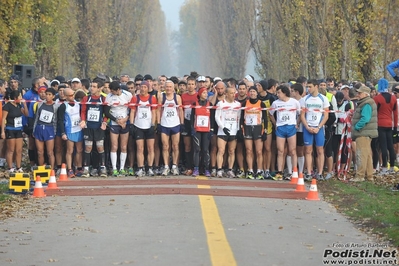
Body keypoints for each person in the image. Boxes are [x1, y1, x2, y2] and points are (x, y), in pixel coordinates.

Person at [300, 79, 330, 181]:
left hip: (319, 128)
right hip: (308, 127)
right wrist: (307, 126)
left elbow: (326, 116)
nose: (308, 89)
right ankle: (309, 172)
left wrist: (318, 127)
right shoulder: (305, 99)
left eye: (310, 87)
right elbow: (302, 115)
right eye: (307, 87)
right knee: (308, 150)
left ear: (316, 87)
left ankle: (320, 173)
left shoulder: (323, 99)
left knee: (320, 150)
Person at [269, 85, 301, 180]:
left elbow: (300, 114)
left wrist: (297, 123)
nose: (277, 94)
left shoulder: (294, 102)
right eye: (277, 93)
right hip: (280, 128)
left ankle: (294, 172)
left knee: (292, 150)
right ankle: (279, 172)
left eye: (279, 93)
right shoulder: (275, 103)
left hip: (291, 127)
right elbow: (270, 114)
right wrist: (275, 124)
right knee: (280, 151)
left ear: (284, 93)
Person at [80, 79, 108, 177]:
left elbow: (107, 113)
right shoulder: (86, 99)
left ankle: (103, 168)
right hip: (89, 127)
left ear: (100, 88)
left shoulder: (103, 99)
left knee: (100, 147)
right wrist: (83, 120)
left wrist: (104, 122)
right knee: (88, 147)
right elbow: (83, 111)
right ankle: (86, 168)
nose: (92, 88)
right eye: (91, 86)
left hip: (98, 128)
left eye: (94, 86)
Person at [129, 80, 157, 177]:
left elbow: (154, 112)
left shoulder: (152, 99)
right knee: (140, 148)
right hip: (138, 126)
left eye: (145, 87)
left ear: (148, 88)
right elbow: (132, 112)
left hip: (149, 126)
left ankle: (149, 168)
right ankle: (140, 168)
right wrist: (131, 124)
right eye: (141, 87)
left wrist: (153, 124)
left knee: (150, 148)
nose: (143, 89)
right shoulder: (135, 98)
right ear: (139, 87)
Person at [104, 81, 132, 177]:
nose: (111, 92)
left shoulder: (128, 95)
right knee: (114, 146)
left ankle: (122, 168)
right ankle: (115, 168)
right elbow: (106, 112)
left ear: (118, 90)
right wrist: (116, 120)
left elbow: (132, 109)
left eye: (113, 91)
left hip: (125, 122)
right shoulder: (109, 96)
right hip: (114, 123)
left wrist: (125, 119)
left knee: (123, 146)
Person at [350, 85, 378, 182]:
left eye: (360, 93)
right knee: (367, 155)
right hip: (367, 132)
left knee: (361, 154)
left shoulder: (366, 103)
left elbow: (365, 118)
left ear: (365, 94)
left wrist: (357, 127)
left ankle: (360, 175)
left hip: (363, 132)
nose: (358, 94)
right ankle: (369, 176)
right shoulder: (366, 102)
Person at [240, 86, 268, 179]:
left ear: (257, 93)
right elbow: (241, 117)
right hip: (247, 128)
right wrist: (241, 129)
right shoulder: (245, 103)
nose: (252, 93)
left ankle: (259, 170)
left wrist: (265, 131)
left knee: (259, 151)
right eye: (250, 91)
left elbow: (265, 118)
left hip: (258, 128)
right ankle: (250, 170)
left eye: (254, 91)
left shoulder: (261, 104)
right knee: (249, 151)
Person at [157, 80, 184, 176]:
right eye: (167, 87)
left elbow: (180, 110)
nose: (168, 88)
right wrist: (158, 123)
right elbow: (158, 110)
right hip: (164, 124)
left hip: (175, 124)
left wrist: (182, 123)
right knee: (165, 146)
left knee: (175, 146)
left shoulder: (177, 97)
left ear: (173, 88)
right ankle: (166, 166)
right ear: (164, 87)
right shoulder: (161, 97)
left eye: (170, 87)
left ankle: (174, 166)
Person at [215, 86, 241, 178]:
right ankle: (219, 170)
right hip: (222, 131)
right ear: (226, 94)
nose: (233, 95)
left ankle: (230, 170)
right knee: (221, 150)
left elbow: (239, 117)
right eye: (231, 93)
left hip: (233, 130)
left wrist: (238, 129)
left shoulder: (238, 104)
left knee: (231, 151)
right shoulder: (220, 104)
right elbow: (217, 117)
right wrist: (223, 127)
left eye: (234, 93)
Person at [373, 78, 398, 174]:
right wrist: (395, 127)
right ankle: (391, 166)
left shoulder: (377, 99)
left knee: (383, 146)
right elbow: (395, 114)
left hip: (380, 124)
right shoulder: (393, 98)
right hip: (389, 124)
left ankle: (384, 167)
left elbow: (375, 113)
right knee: (390, 146)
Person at [57, 88, 84, 178]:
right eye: (70, 95)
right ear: (65, 96)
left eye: (73, 95)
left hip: (79, 129)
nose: (72, 97)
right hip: (69, 130)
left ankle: (79, 168)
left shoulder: (78, 104)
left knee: (79, 150)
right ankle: (70, 169)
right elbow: (60, 121)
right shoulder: (63, 106)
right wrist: (63, 133)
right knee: (70, 150)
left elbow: (82, 114)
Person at [1, 90, 28, 173]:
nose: (21, 98)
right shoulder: (7, 106)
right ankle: (10, 167)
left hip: (18, 129)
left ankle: (18, 167)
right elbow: (3, 119)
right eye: (20, 97)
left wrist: (24, 104)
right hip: (10, 129)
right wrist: (2, 131)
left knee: (19, 150)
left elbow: (26, 114)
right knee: (11, 149)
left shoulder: (19, 105)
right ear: (15, 98)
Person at [32, 88, 58, 169]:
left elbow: (56, 120)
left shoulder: (56, 106)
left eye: (49, 94)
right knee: (40, 152)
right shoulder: (40, 105)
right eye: (46, 94)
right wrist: (34, 129)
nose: (47, 96)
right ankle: (41, 170)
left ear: (53, 96)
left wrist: (54, 131)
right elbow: (36, 118)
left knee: (50, 152)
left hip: (49, 129)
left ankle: (52, 170)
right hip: (39, 128)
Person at [180, 76, 197, 175]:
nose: (190, 86)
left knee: (196, 147)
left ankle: (197, 167)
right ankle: (188, 167)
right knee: (187, 145)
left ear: (195, 86)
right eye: (189, 84)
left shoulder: (198, 96)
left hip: (195, 123)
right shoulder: (183, 96)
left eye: (192, 84)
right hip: (186, 122)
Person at [209, 81, 226, 176]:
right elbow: (211, 104)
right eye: (218, 88)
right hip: (213, 125)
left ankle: (222, 167)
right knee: (214, 147)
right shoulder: (212, 97)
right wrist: (215, 94)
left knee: (223, 149)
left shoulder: (226, 99)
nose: (220, 90)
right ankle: (213, 168)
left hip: (224, 126)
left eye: (221, 88)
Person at [235, 81, 248, 178]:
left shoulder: (249, 100)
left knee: (249, 150)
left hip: (248, 128)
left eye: (244, 89)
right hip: (236, 128)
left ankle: (249, 169)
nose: (242, 90)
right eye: (240, 89)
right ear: (237, 90)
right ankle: (241, 169)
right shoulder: (235, 100)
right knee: (238, 149)